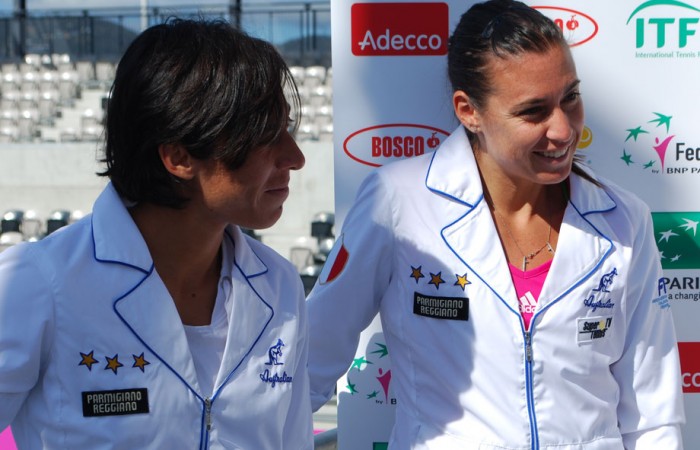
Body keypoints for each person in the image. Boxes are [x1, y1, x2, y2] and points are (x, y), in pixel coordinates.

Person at [307, 1, 685, 448]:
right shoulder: (397, 202)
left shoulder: (625, 219)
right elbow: (311, 360)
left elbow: (653, 415)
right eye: (533, 111)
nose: (563, 129)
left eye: (570, 98)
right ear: (469, 111)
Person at [0, 19, 313, 449]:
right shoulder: (37, 283)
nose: (294, 157)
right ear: (179, 156)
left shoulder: (280, 286)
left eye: (288, 129)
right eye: (265, 135)